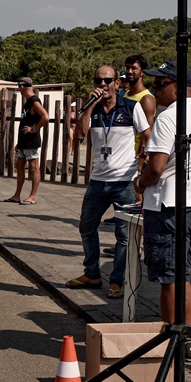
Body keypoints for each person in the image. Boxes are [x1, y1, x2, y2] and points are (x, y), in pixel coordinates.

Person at [133, 60, 191, 354]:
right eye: (154, 84)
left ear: (179, 87)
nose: (155, 90)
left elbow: (155, 167)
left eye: (160, 84)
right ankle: (185, 339)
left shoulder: (170, 118)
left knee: (170, 279)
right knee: (182, 275)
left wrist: (141, 184)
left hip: (170, 205)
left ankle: (175, 340)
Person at [67, 66, 150, 298]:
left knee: (124, 235)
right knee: (86, 226)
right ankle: (92, 273)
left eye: (107, 80)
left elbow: (147, 134)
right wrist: (90, 105)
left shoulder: (131, 107)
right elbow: (80, 135)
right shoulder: (91, 109)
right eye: (98, 80)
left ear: (117, 83)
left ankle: (117, 281)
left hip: (124, 181)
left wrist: (145, 154)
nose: (102, 84)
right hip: (98, 180)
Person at [5, 77, 48, 205]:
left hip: (31, 141)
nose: (19, 89)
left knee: (34, 167)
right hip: (24, 141)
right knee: (19, 166)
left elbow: (45, 117)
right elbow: (25, 121)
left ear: (22, 86)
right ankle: (17, 195)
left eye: (19, 87)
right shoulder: (27, 101)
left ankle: (32, 196)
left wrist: (34, 129)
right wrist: (19, 142)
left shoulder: (34, 101)